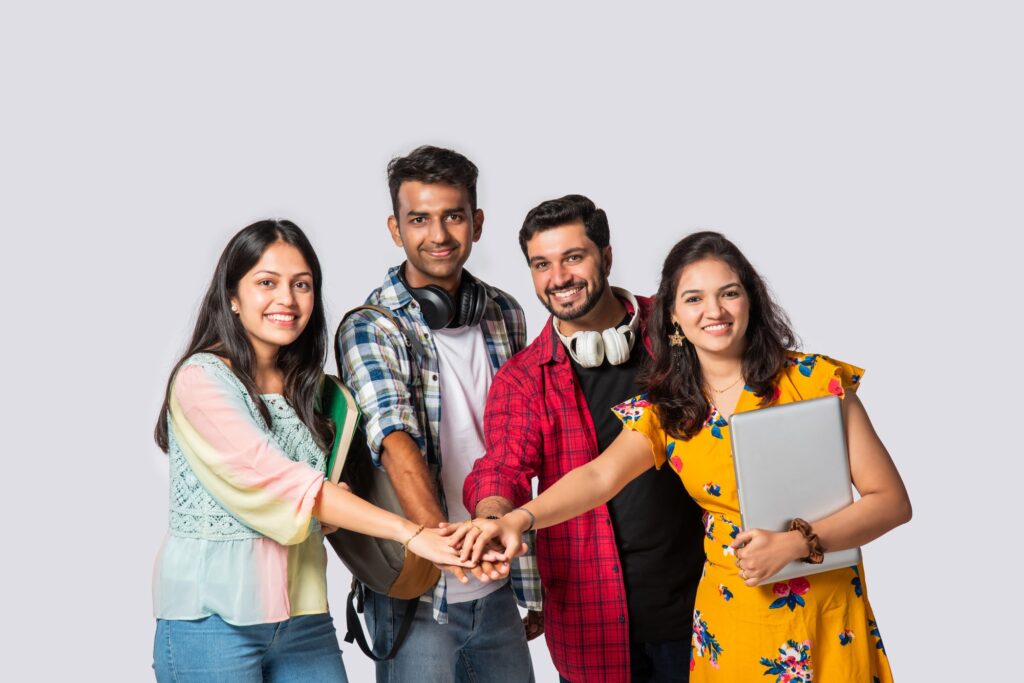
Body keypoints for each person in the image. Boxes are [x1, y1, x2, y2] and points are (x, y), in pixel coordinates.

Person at [452, 231, 912, 682]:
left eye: (728, 293)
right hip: (730, 622)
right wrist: (518, 519)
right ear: (671, 316)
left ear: (750, 300)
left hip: (827, 615)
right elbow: (597, 477)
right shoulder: (666, 408)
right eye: (693, 299)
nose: (714, 311)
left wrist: (797, 543)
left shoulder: (816, 382)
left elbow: (890, 501)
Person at [151, 219, 471, 682]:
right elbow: (286, 486)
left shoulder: (317, 393)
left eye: (302, 285)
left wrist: (328, 509)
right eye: (267, 283)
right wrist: (410, 532)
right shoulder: (201, 379)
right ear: (233, 297)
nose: (287, 299)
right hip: (212, 622)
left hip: (303, 620)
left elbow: (310, 510)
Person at [463, 195, 705, 683]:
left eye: (573, 257)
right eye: (541, 265)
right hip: (595, 625)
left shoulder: (680, 327)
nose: (559, 278)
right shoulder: (523, 378)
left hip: (709, 610)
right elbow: (502, 466)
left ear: (607, 257)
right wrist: (493, 518)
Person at [336, 146, 540, 683]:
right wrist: (449, 552)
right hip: (422, 587)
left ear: (476, 222)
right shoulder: (370, 326)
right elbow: (395, 442)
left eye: (453, 215)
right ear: (395, 228)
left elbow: (519, 445)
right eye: (419, 218)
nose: (439, 234)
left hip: (498, 581)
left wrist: (533, 575)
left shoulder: (504, 313)